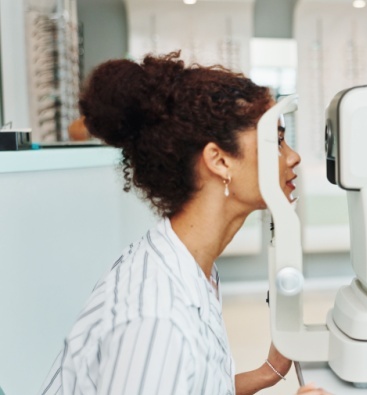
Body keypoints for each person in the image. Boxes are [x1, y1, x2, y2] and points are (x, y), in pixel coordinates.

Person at [39, 53, 329, 395]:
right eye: (277, 141)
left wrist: (265, 374)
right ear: (219, 161)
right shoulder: (157, 319)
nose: (293, 157)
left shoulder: (187, 265)